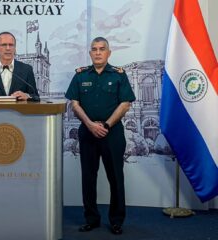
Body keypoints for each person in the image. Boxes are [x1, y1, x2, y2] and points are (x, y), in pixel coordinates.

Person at [65, 37, 135, 235]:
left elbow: (125, 104)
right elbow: (74, 103)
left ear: (108, 53)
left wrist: (105, 125)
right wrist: (89, 124)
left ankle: (116, 221)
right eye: (94, 49)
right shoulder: (80, 76)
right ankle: (91, 219)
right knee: (88, 177)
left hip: (112, 133)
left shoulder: (119, 75)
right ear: (90, 53)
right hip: (87, 133)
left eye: (102, 49)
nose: (97, 52)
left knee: (116, 178)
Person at [0, 31, 40, 101]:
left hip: (19, 111)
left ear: (15, 48)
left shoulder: (27, 69)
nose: (8, 48)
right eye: (4, 45)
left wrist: (27, 96)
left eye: (11, 45)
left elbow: (36, 97)